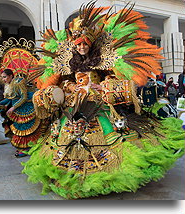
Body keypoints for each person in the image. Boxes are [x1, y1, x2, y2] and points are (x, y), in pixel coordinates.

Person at [22, 1, 185, 199]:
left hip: (99, 102)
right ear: (75, 45)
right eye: (79, 44)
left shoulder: (103, 58)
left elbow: (115, 77)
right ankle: (72, 173)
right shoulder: (68, 62)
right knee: (68, 135)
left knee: (114, 135)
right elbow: (62, 82)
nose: (82, 47)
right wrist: (70, 87)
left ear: (90, 44)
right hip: (75, 103)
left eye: (85, 44)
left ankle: (109, 175)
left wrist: (102, 85)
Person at [0, 69, 44, 157]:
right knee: (20, 128)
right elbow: (11, 98)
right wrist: (0, 103)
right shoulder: (8, 85)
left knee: (26, 128)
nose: (3, 79)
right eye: (2, 77)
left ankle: (27, 148)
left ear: (10, 76)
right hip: (17, 109)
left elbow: (23, 97)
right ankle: (23, 147)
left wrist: (13, 107)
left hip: (25, 108)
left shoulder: (18, 82)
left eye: (5, 77)